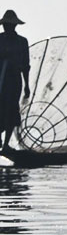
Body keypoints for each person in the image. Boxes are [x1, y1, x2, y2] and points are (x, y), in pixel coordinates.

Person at [0, 9, 30, 154]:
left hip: (14, 80)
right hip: (1, 79)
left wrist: (27, 85)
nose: (7, 27)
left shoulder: (22, 42)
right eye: (5, 25)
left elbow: (26, 65)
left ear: (15, 26)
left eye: (10, 25)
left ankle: (6, 144)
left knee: (11, 111)